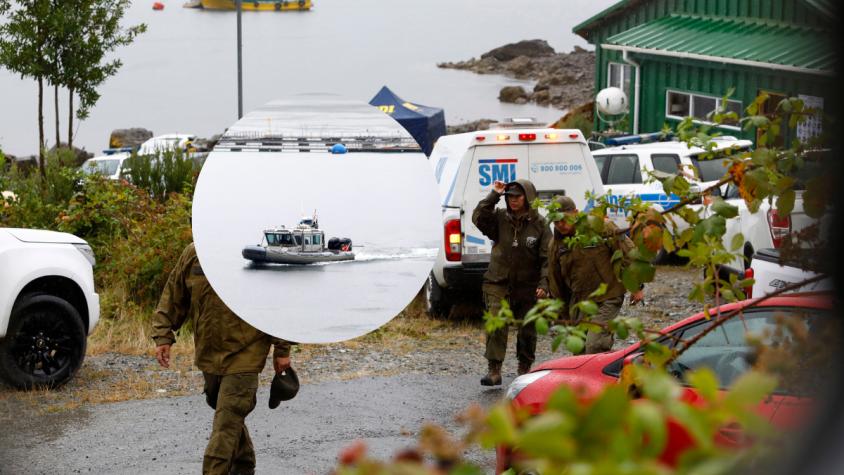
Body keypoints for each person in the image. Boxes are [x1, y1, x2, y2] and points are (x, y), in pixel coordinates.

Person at [152, 242, 293, 475]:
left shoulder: (255, 250)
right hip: (209, 351)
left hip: (247, 350)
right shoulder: (194, 252)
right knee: (220, 405)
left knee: (227, 418)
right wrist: (163, 334)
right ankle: (243, 464)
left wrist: (282, 348)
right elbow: (174, 294)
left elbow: (276, 302)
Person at [472, 178, 551, 385]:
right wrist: (494, 195)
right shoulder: (499, 218)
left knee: (527, 328)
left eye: (518, 196)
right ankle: (494, 370)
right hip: (498, 281)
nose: (513, 200)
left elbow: (547, 259)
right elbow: (478, 217)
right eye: (510, 197)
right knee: (496, 321)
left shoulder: (540, 224)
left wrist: (544, 284)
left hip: (528, 285)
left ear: (528, 197)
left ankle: (524, 368)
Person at [547, 196, 644, 354]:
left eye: (564, 219)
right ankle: (605, 367)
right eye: (555, 221)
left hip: (608, 295)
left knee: (595, 345)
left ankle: (609, 361)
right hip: (580, 301)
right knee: (579, 351)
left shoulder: (600, 227)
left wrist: (636, 285)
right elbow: (555, 281)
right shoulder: (555, 245)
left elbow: (628, 252)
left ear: (576, 213)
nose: (560, 225)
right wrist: (561, 314)